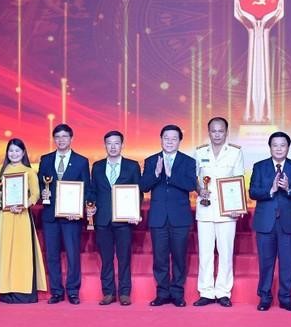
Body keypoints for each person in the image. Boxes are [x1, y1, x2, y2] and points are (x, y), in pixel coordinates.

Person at [139, 124, 198, 307]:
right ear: (161, 139)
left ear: (180, 141)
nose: (170, 141)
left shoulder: (188, 161)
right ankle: (162, 293)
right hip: (158, 217)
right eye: (166, 138)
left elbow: (190, 185)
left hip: (180, 217)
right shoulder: (151, 161)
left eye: (174, 138)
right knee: (160, 257)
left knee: (180, 257)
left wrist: (171, 175)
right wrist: (157, 173)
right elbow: (143, 186)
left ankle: (177, 294)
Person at [249, 131, 291, 312]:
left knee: (288, 262)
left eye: (283, 145)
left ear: (288, 147)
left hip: (288, 222)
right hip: (266, 222)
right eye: (275, 145)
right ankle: (264, 297)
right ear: (270, 147)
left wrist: (289, 188)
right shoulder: (259, 167)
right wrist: (271, 190)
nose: (279, 148)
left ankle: (286, 298)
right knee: (266, 262)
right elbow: (253, 192)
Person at [193, 117, 245, 308]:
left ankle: (223, 292)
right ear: (208, 132)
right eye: (213, 131)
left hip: (227, 211)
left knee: (225, 252)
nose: (217, 134)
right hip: (205, 209)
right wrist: (200, 190)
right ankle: (206, 292)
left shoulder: (235, 152)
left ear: (226, 132)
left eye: (220, 131)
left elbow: (238, 180)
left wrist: (237, 207)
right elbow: (195, 179)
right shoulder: (199, 152)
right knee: (205, 253)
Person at [38, 123, 92, 304]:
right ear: (54, 139)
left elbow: (87, 189)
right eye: (57, 137)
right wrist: (42, 193)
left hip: (71, 217)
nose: (61, 140)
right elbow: (40, 185)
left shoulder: (81, 161)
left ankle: (73, 291)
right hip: (50, 216)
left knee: (72, 254)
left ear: (71, 139)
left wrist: (79, 210)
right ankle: (56, 291)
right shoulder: (45, 159)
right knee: (52, 255)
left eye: (65, 137)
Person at [90, 130, 141, 306]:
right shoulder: (96, 166)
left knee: (124, 257)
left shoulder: (132, 166)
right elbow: (92, 191)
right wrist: (91, 205)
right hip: (102, 219)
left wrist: (135, 211)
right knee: (106, 258)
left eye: (116, 143)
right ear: (105, 145)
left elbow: (138, 192)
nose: (113, 146)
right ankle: (108, 292)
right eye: (109, 143)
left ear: (122, 145)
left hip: (124, 220)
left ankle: (125, 293)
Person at [0, 138, 47, 303]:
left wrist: (24, 205)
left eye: (17, 151)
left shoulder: (29, 172)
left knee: (21, 254)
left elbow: (35, 195)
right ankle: (6, 290)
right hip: (4, 217)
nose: (14, 154)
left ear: (23, 153)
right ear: (7, 153)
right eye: (11, 151)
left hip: (22, 217)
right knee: (4, 253)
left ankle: (23, 291)